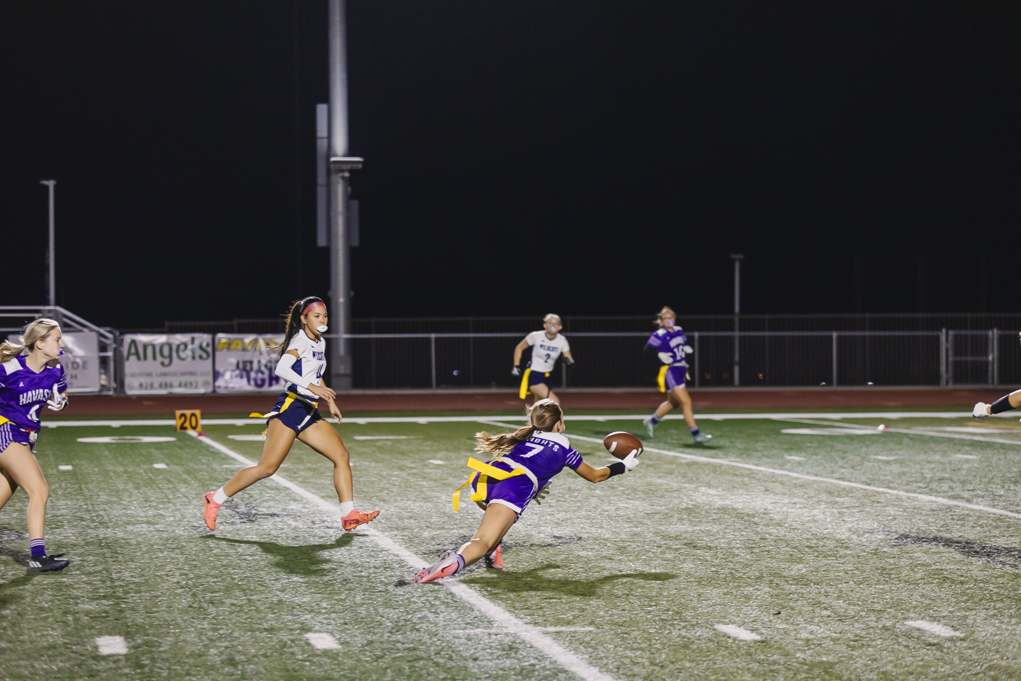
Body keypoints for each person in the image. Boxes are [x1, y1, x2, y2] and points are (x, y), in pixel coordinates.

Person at [413, 398, 639, 583]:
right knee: (481, 540)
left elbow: (533, 461)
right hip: (514, 484)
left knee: (496, 527)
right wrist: (623, 466)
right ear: (558, 423)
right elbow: (595, 476)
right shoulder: (564, 445)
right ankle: (454, 561)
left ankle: (492, 551)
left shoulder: (528, 435)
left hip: (488, 476)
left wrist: (536, 485)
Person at [203, 297, 378, 533]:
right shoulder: (300, 340)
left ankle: (348, 515)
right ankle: (215, 498)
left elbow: (315, 374)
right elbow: (282, 369)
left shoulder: (320, 342)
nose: (322, 320)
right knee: (267, 468)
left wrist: (329, 399)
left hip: (309, 411)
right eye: (316, 316)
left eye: (325, 316)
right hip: (290, 408)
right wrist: (313, 388)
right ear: (304, 319)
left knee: (341, 456)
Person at [0, 318, 71, 572]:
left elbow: (62, 396)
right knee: (40, 491)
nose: (61, 343)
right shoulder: (9, 369)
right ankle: (38, 556)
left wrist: (62, 402)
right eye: (56, 339)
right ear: (39, 343)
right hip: (5, 431)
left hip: (25, 438)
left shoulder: (56, 370)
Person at [642, 307, 711, 443]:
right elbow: (646, 352)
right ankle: (696, 435)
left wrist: (684, 348)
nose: (670, 320)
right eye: (666, 318)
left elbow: (681, 344)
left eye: (672, 317)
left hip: (680, 369)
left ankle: (652, 421)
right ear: (661, 321)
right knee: (686, 402)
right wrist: (659, 355)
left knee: (672, 403)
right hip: (670, 371)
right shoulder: (659, 334)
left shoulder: (678, 330)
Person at [511, 314, 574, 404]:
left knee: (539, 407)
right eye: (550, 323)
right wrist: (516, 366)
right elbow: (519, 348)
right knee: (555, 402)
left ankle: (532, 418)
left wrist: (569, 361)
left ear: (560, 327)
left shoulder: (562, 340)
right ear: (545, 325)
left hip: (548, 375)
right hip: (535, 374)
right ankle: (560, 419)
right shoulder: (536, 336)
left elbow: (568, 356)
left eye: (556, 323)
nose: (553, 326)